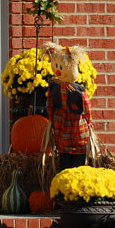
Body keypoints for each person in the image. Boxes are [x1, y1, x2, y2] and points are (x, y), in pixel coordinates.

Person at [42, 42, 92, 170]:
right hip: (64, 123)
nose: (57, 71)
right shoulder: (54, 86)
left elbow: (86, 108)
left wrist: (52, 118)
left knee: (76, 152)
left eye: (61, 67)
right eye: (56, 66)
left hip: (72, 123)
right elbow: (51, 103)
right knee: (65, 153)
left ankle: (72, 176)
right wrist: (89, 121)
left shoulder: (78, 90)